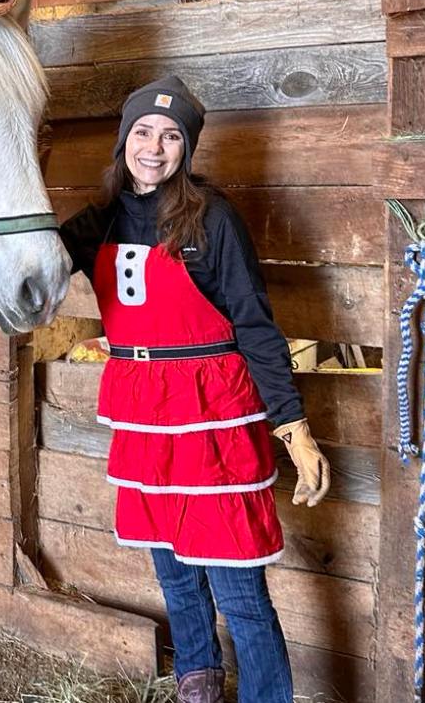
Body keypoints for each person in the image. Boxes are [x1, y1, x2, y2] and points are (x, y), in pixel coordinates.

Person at [58, 76, 331, 703]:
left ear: (188, 148)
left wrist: (295, 431)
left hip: (212, 417)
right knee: (176, 579)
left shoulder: (212, 218)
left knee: (238, 592)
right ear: (125, 138)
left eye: (173, 135)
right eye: (144, 132)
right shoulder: (99, 221)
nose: (155, 146)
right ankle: (197, 688)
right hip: (144, 417)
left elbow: (257, 328)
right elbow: (32, 263)